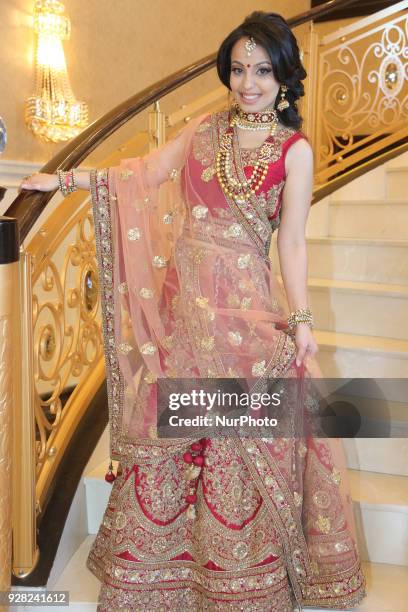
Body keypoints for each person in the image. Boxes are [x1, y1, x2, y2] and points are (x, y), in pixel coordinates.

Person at [20, 11, 366, 611]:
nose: (247, 82)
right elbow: (143, 174)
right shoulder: (206, 130)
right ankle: (162, 572)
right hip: (186, 313)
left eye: (262, 69)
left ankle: (241, 579)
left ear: (284, 76)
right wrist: (66, 180)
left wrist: (303, 320)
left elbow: (292, 240)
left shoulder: (295, 150)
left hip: (246, 311)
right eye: (237, 69)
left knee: (238, 438)